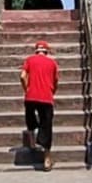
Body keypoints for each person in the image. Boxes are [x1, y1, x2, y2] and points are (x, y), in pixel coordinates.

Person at [20, 39, 59, 171]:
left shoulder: (30, 60)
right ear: (47, 51)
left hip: (31, 96)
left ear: (36, 51)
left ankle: (32, 139)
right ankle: (47, 158)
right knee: (46, 125)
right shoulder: (52, 63)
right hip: (46, 97)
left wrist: (27, 89)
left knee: (30, 116)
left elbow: (22, 75)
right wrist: (52, 92)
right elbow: (56, 82)